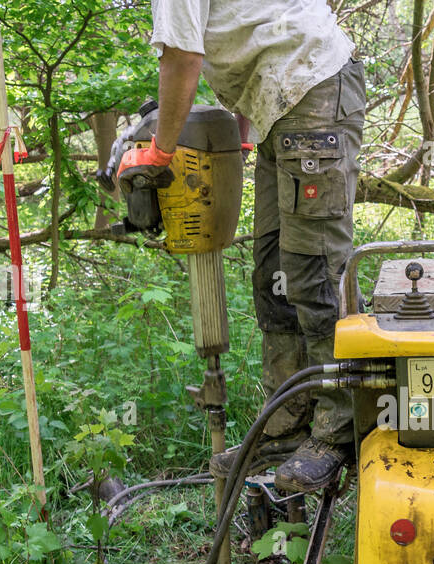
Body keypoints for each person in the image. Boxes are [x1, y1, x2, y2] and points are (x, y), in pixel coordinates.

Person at [119, 0, 365, 493]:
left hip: (310, 88)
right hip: (283, 103)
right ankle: (288, 420)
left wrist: (159, 152)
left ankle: (340, 429)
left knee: (315, 270)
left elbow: (183, 57)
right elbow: (251, 29)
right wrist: (243, 132)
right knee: (274, 272)